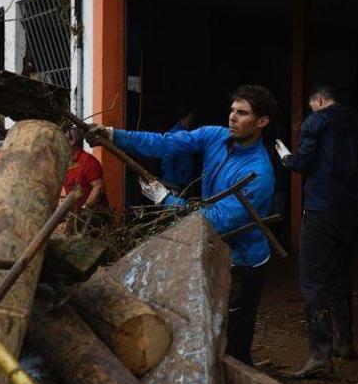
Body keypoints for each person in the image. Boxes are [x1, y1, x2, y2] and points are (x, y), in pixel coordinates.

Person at [88, 85, 277, 365]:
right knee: (207, 325)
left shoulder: (257, 173)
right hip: (213, 249)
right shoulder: (216, 136)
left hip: (242, 262)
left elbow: (215, 221)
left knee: (233, 341)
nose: (232, 117)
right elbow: (166, 143)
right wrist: (115, 136)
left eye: (242, 113)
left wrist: (166, 199)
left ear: (262, 122)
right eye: (232, 110)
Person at [274, 84, 358, 378]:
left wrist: (285, 157)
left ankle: (320, 356)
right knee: (340, 274)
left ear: (317, 100)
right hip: (352, 210)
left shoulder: (317, 120)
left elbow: (302, 164)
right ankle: (344, 344)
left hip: (321, 210)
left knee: (312, 279)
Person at [62, 126, 108, 209]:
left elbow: (98, 187)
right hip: (75, 215)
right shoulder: (65, 163)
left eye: (63, 140)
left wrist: (84, 210)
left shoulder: (89, 161)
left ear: (72, 141)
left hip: (92, 217)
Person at [160, 106, 198, 190]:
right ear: (189, 116)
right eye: (192, 116)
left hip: (186, 183)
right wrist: (171, 185)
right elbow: (167, 162)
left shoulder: (190, 134)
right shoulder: (173, 135)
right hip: (175, 185)